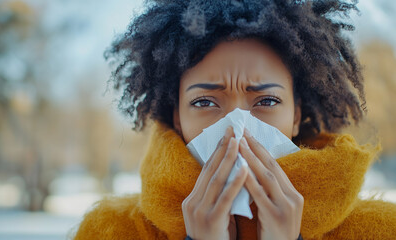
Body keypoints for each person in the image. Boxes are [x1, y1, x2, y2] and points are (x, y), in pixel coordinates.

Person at [73, 0, 396, 239]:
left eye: (266, 100)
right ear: (178, 117)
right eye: (205, 101)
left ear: (296, 115)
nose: (236, 126)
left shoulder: (379, 231)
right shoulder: (113, 231)